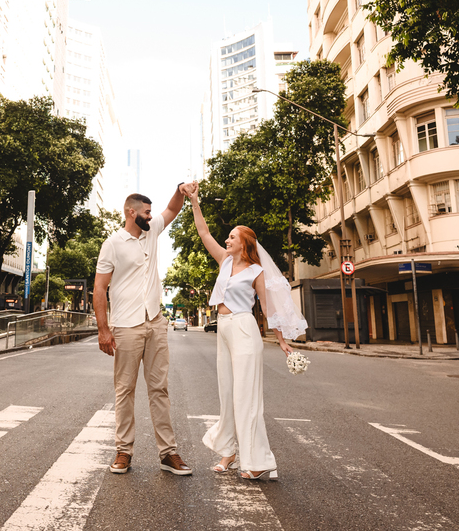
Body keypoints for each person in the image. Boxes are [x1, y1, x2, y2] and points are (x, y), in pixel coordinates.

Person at [184, 181, 307, 481]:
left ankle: (256, 460)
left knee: (246, 396)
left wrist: (281, 340)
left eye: (232, 236)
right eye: (227, 236)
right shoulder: (224, 262)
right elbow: (203, 233)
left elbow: (267, 308)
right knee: (227, 393)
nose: (226, 239)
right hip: (224, 330)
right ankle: (229, 452)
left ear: (244, 243)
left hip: (244, 329)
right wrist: (194, 202)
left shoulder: (256, 271)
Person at [94, 188, 193, 476]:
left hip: (155, 322)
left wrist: (179, 191)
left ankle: (168, 453)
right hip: (126, 325)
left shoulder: (151, 232)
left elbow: (172, 210)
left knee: (159, 389)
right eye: (147, 212)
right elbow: (100, 288)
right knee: (124, 390)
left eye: (151, 212)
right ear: (131, 213)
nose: (151, 216)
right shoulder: (112, 244)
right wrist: (103, 329)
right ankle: (123, 451)